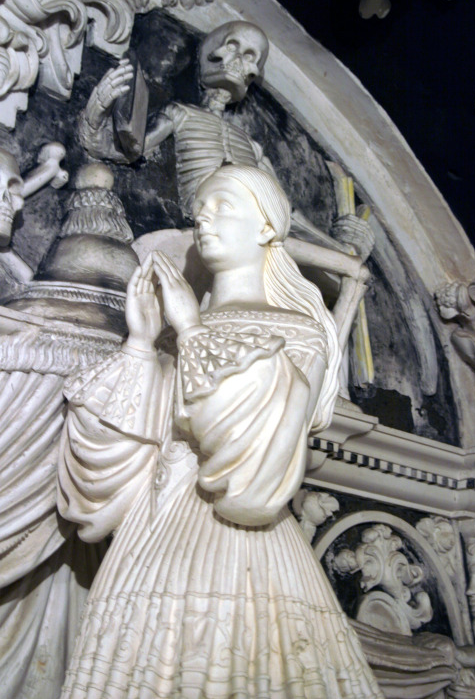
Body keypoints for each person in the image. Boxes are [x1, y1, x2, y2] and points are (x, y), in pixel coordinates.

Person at [57, 165, 383, 698]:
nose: (203, 217)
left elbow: (255, 477)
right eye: (200, 207)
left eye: (224, 204)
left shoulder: (299, 333)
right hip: (149, 544)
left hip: (240, 552)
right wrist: (142, 346)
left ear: (265, 228)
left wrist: (191, 330)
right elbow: (115, 475)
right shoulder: (173, 336)